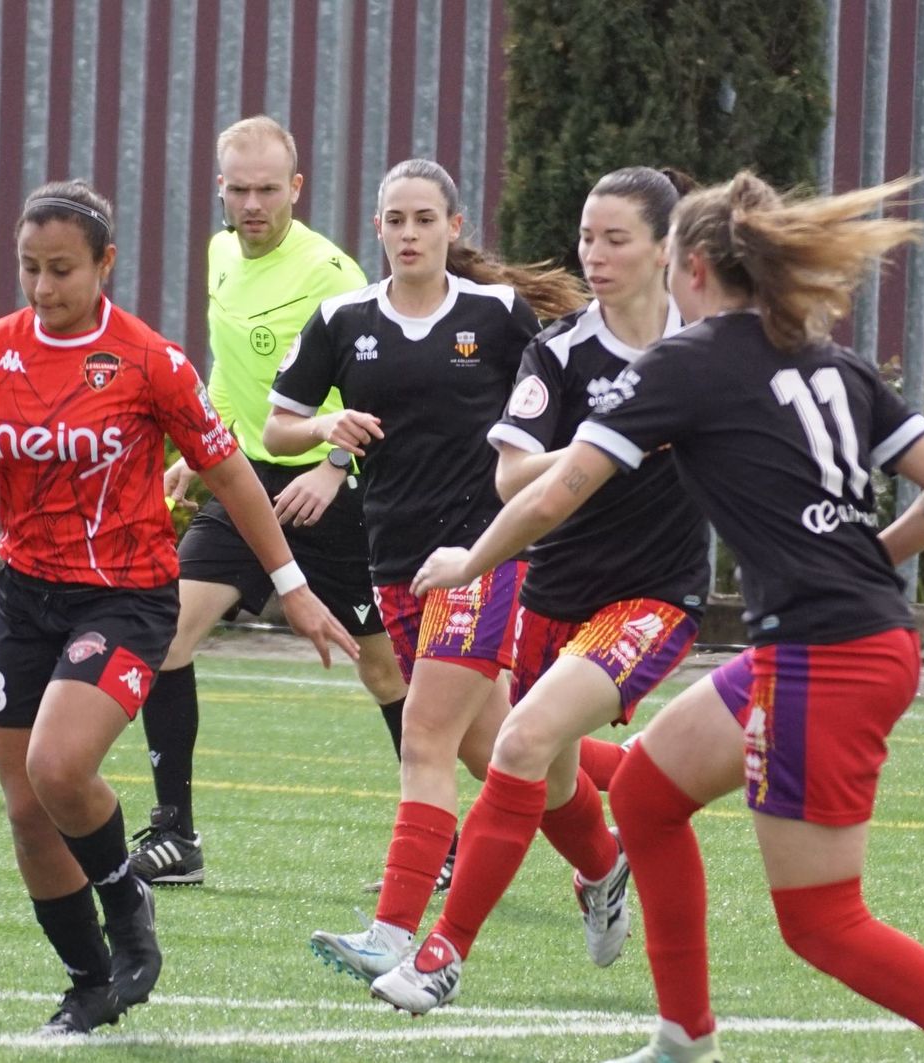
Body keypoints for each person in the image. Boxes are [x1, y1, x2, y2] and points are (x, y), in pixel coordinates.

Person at [405, 171, 924, 1062]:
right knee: (645, 792)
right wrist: (858, 566)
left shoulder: (687, 361)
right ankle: (686, 1036)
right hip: (849, 639)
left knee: (823, 924)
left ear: (688, 267)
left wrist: (468, 560)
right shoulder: (827, 360)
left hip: (824, 658)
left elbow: (556, 490)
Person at [0, 179, 358, 1037]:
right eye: (31, 268)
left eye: (63, 269)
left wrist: (291, 586)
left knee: (59, 766)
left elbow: (230, 473)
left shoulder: (150, 359)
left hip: (127, 596)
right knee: (28, 811)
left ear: (105, 265)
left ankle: (129, 901)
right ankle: (89, 982)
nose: (43, 287)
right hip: (25, 599)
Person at [364, 166, 709, 1013]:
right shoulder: (558, 351)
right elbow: (518, 475)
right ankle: (604, 867)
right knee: (546, 780)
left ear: (665, 249)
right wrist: (610, 435)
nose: (593, 254)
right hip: (553, 597)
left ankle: (437, 956)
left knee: (514, 747)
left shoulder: (709, 347)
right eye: (587, 236)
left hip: (654, 599)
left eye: (615, 238)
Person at [261, 159, 609, 989]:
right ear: (376, 229)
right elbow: (277, 428)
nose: (408, 234)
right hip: (395, 564)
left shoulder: (493, 316)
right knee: (500, 750)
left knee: (423, 737)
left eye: (425, 219)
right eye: (395, 220)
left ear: (455, 227)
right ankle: (607, 860)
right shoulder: (343, 318)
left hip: (483, 555)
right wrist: (324, 429)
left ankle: (392, 929)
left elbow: (553, 409)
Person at [129, 115, 407, 888]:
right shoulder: (221, 253)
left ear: (295, 188)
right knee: (166, 634)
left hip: (332, 493)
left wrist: (334, 466)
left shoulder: (332, 274)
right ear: (221, 188)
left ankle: (442, 833)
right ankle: (175, 835)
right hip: (244, 481)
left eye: (267, 189)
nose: (252, 204)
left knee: (384, 672)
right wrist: (198, 448)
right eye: (239, 188)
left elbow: (375, 385)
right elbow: (225, 365)